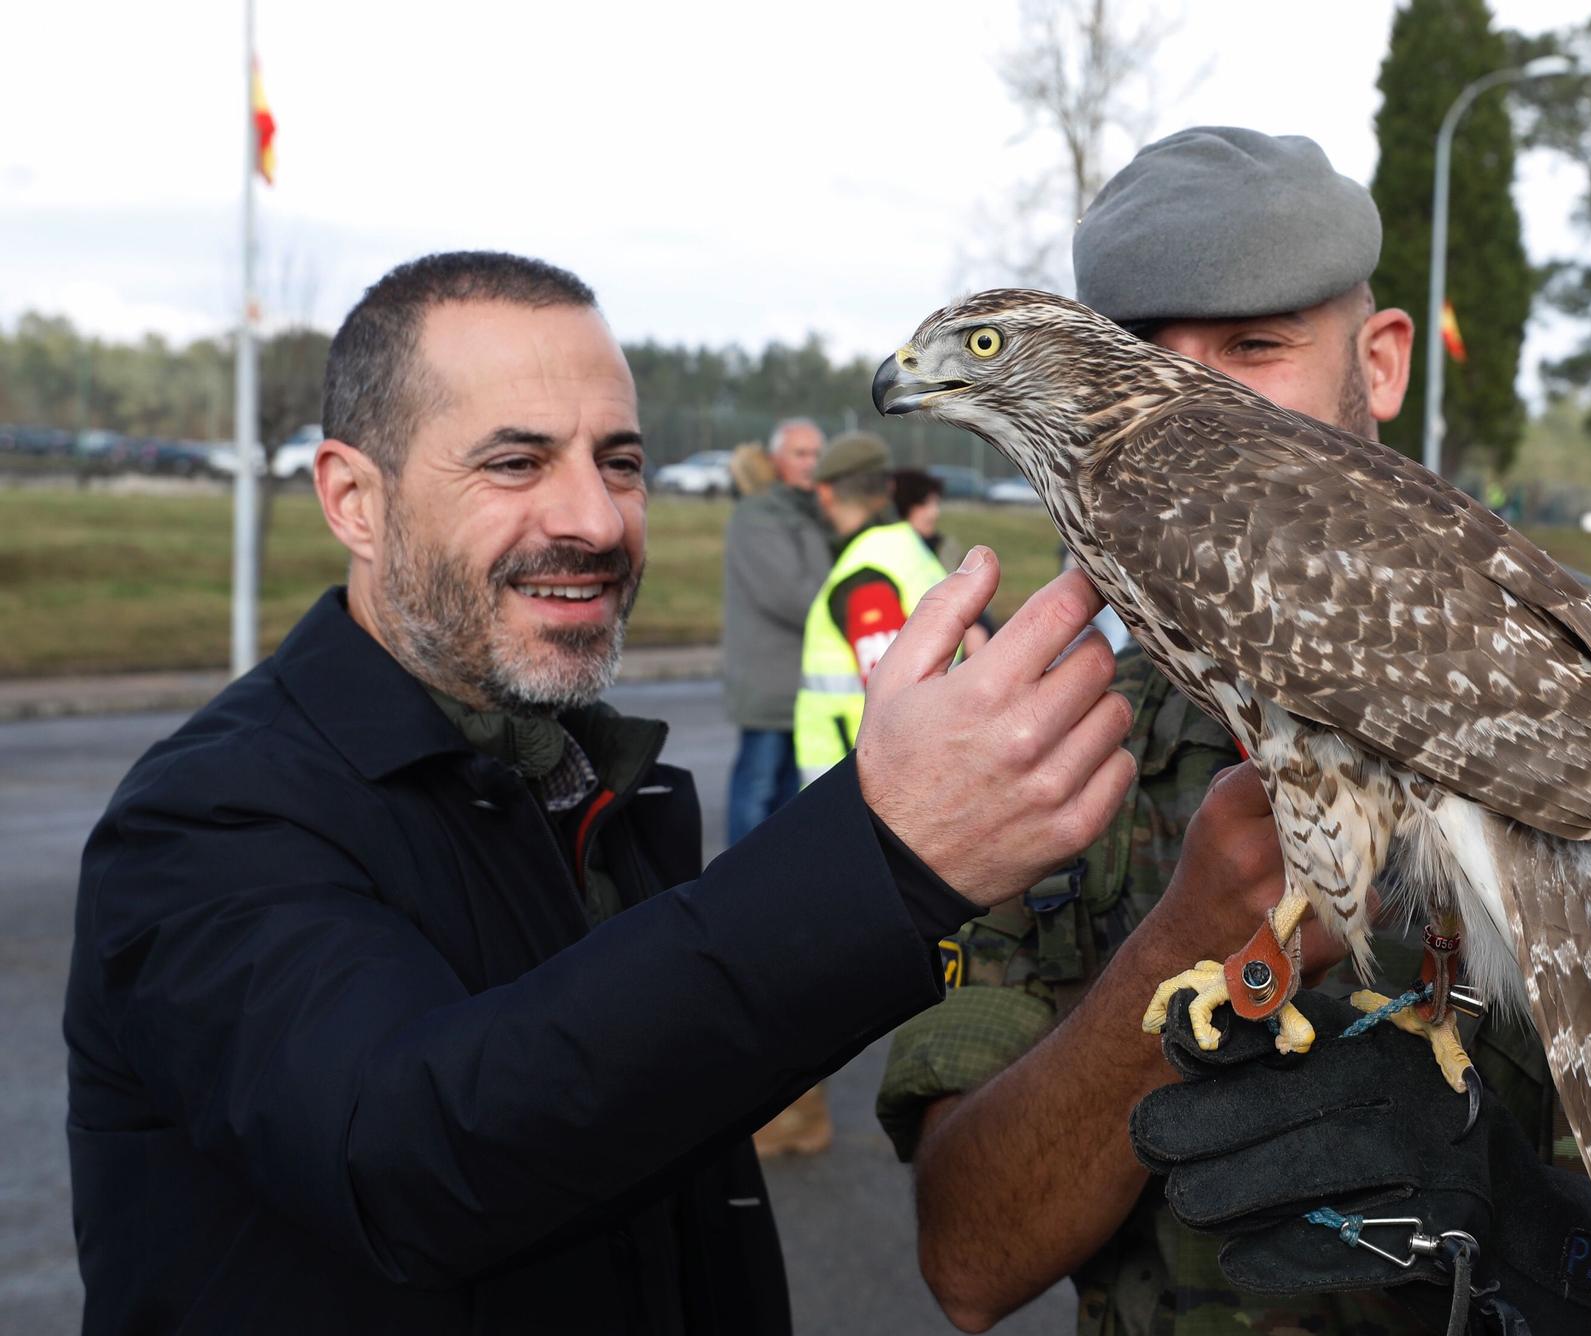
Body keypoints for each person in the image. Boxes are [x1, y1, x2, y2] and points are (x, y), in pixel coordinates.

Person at [876, 128, 1591, 1336]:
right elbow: (962, 1264)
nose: (1201, 400)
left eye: (1255, 347)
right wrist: (1191, 937)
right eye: (1148, 356)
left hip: (1554, 845)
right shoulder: (1054, 746)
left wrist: (1551, 1249)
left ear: (1381, 364)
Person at [63, 251, 1140, 1335]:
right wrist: (881, 854)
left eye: (618, 461)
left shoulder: (585, 786)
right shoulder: (208, 822)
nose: (595, 517)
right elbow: (418, 1159)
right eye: (516, 464)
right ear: (353, 499)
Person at [795, 434, 969, 786]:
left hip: (858, 786)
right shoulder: (908, 549)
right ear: (887, 488)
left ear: (825, 493)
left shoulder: (865, 572)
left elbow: (893, 700)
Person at [720, 416, 828, 845]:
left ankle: (771, 891)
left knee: (787, 798)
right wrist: (841, 611)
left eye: (817, 454)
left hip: (799, 684)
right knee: (757, 791)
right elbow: (790, 594)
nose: (811, 464)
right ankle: (733, 892)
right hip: (769, 682)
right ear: (776, 460)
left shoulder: (806, 512)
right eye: (801, 454)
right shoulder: (758, 515)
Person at [892, 466, 966, 570]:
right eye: (924, 504)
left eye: (936, 504)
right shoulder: (886, 549)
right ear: (904, 505)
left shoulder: (946, 550)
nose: (935, 513)